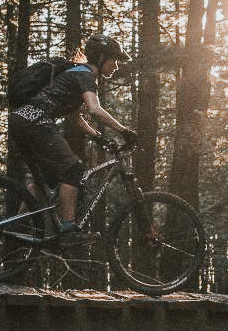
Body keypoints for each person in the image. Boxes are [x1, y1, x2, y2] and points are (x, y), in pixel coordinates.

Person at [8, 33, 138, 240]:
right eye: (114, 59)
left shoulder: (77, 74)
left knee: (48, 180)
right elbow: (94, 110)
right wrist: (124, 131)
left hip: (22, 120)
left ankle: (14, 226)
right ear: (102, 56)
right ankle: (68, 229)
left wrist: (98, 137)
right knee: (74, 169)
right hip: (33, 121)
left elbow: (75, 118)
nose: (117, 65)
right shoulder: (85, 75)